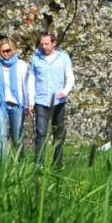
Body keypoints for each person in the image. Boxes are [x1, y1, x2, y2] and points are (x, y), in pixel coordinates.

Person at [30, 31, 75, 168]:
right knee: (41, 132)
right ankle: (39, 165)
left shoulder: (63, 58)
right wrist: (31, 100)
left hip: (58, 101)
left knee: (58, 133)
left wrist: (65, 91)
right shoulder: (35, 58)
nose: (44, 46)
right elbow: (31, 79)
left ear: (54, 43)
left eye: (47, 44)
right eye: (42, 44)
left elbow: (70, 77)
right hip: (41, 100)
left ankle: (58, 164)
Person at [0, 38, 34, 160]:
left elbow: (27, 85)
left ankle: (20, 164)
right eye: (3, 52)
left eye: (8, 50)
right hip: (0, 104)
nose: (6, 54)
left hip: (17, 104)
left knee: (17, 137)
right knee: (0, 136)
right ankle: (2, 167)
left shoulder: (22, 65)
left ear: (13, 49)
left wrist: (29, 104)